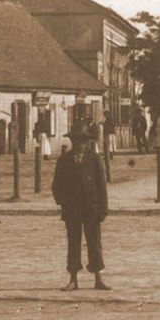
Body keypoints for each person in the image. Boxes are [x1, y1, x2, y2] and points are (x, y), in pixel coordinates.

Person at [51, 120, 111, 291]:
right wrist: (63, 201)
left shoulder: (94, 159)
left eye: (83, 141)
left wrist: (103, 209)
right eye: (76, 140)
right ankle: (73, 279)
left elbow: (101, 186)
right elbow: (56, 185)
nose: (80, 144)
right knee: (73, 243)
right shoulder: (64, 160)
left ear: (88, 141)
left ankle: (98, 278)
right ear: (72, 141)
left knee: (94, 243)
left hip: (91, 207)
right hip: (72, 208)